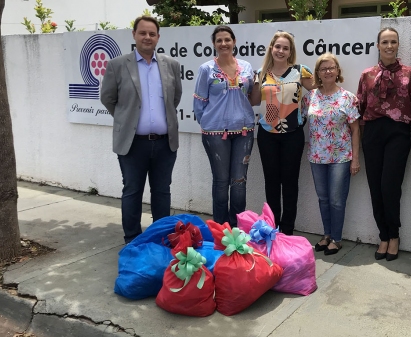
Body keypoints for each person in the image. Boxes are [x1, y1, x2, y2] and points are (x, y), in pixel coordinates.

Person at [100, 16, 182, 244]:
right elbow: (107, 98)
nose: (147, 37)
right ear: (134, 34)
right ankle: (132, 241)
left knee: (162, 192)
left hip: (165, 143)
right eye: (143, 33)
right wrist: (126, 119)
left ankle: (162, 239)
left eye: (152, 34)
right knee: (132, 191)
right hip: (133, 143)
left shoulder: (171, 65)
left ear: (158, 37)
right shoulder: (117, 65)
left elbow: (174, 98)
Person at [357, 27, 411, 261]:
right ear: (378, 45)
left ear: (398, 45)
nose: (389, 46)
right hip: (372, 132)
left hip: (398, 133)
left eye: (393, 41)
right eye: (385, 42)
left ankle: (394, 235)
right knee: (375, 186)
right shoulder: (367, 74)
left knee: (389, 187)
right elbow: (361, 105)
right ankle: (383, 235)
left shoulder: (410, 73)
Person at [250, 31, 314, 235]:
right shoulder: (261, 72)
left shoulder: (300, 71)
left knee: (290, 182)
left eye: (285, 48)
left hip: (293, 133)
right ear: (271, 48)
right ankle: (272, 227)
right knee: (271, 181)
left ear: (290, 51)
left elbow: (319, 89)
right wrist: (256, 82)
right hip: (267, 134)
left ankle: (287, 229)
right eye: (278, 46)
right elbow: (253, 101)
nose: (281, 50)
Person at [193, 26, 255, 228]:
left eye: (227, 39)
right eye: (219, 40)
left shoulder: (246, 67)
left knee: (239, 182)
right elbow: (199, 102)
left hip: (244, 131)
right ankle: (220, 228)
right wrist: (210, 123)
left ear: (234, 41)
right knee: (221, 182)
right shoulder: (206, 69)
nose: (223, 44)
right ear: (214, 44)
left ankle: (238, 228)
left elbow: (251, 96)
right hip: (215, 133)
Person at [301, 53, 360, 256]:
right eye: (323, 68)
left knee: (336, 199)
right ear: (317, 73)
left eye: (331, 67)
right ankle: (326, 235)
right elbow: (300, 119)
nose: (328, 71)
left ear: (337, 71)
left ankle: (336, 238)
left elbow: (355, 129)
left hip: (341, 157)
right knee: (323, 198)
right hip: (316, 156)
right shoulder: (310, 97)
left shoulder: (348, 98)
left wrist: (356, 160)